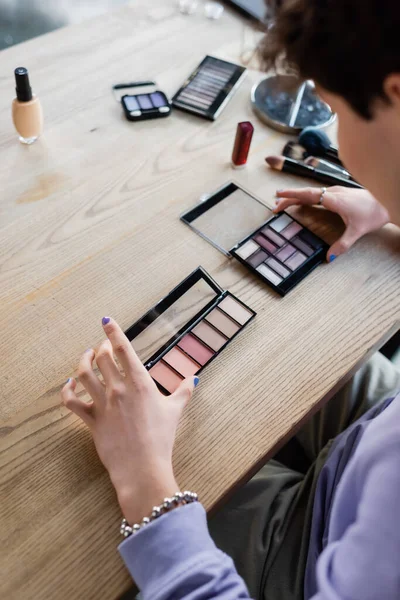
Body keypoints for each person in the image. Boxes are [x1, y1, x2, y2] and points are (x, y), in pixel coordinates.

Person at [62, 1, 400, 598]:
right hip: (376, 428)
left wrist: (145, 481)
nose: (339, 143)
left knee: (76, 519)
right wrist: (390, 199)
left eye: (336, 108)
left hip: (308, 555)